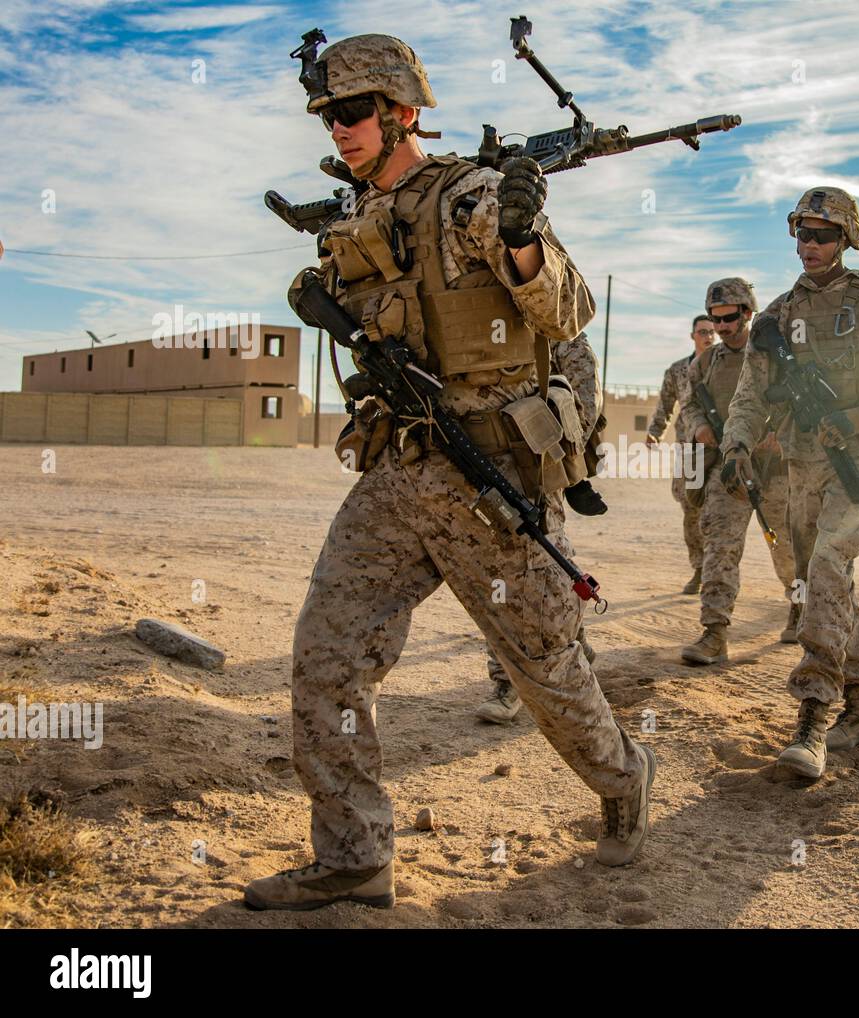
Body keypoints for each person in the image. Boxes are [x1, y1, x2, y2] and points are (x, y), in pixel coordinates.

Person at [245, 33, 653, 911]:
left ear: (403, 113)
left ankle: (624, 779)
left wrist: (521, 246)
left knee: (547, 669)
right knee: (327, 658)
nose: (339, 127)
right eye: (329, 114)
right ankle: (356, 856)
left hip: (489, 480)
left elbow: (570, 307)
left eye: (354, 111)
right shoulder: (352, 221)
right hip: (399, 470)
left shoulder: (471, 196)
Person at [721, 188, 859, 779]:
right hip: (801, 467)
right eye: (801, 234)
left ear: (847, 238)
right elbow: (749, 395)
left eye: (822, 235)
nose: (809, 245)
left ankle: (813, 715)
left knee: (825, 566)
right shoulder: (774, 317)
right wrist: (736, 443)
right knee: (826, 579)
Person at [476, 332, 604, 724]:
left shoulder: (561, 333)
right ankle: (508, 680)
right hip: (484, 461)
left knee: (547, 569)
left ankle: (569, 649)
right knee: (496, 573)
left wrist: (568, 464)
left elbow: (585, 406)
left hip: (538, 469)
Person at [679, 278, 798, 665]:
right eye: (715, 319)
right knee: (720, 545)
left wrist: (779, 434)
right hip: (729, 468)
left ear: (748, 313)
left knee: (785, 547)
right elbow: (690, 402)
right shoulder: (707, 362)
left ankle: (799, 606)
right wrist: (699, 426)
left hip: (774, 469)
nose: (721, 327)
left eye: (729, 318)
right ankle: (715, 632)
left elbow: (798, 400)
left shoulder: (775, 354)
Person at [645, 315, 716, 594]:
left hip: (719, 450)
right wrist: (655, 431)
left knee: (720, 509)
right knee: (691, 509)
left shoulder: (728, 365)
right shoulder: (677, 371)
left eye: (712, 332)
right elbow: (665, 404)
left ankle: (718, 571)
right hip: (689, 451)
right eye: (703, 332)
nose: (708, 336)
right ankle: (699, 568)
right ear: (693, 336)